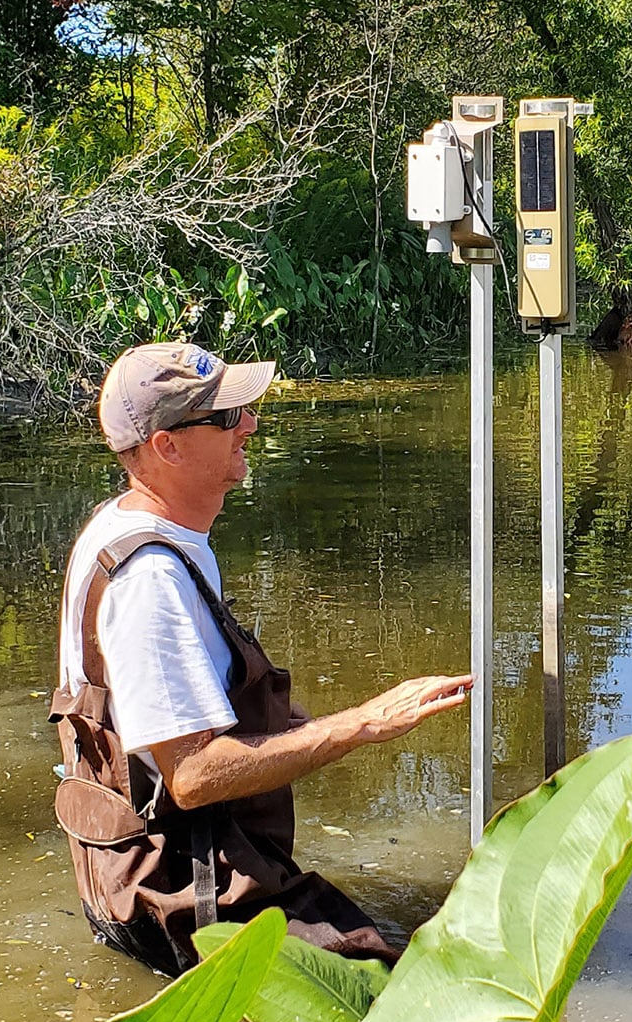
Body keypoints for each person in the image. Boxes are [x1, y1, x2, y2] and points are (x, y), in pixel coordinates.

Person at [50, 341, 471, 973]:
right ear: (166, 446)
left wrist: (299, 727)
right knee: (401, 995)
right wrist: (361, 725)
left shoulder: (138, 530)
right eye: (225, 417)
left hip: (157, 876)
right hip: (178, 897)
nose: (249, 423)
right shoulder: (149, 580)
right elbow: (190, 777)